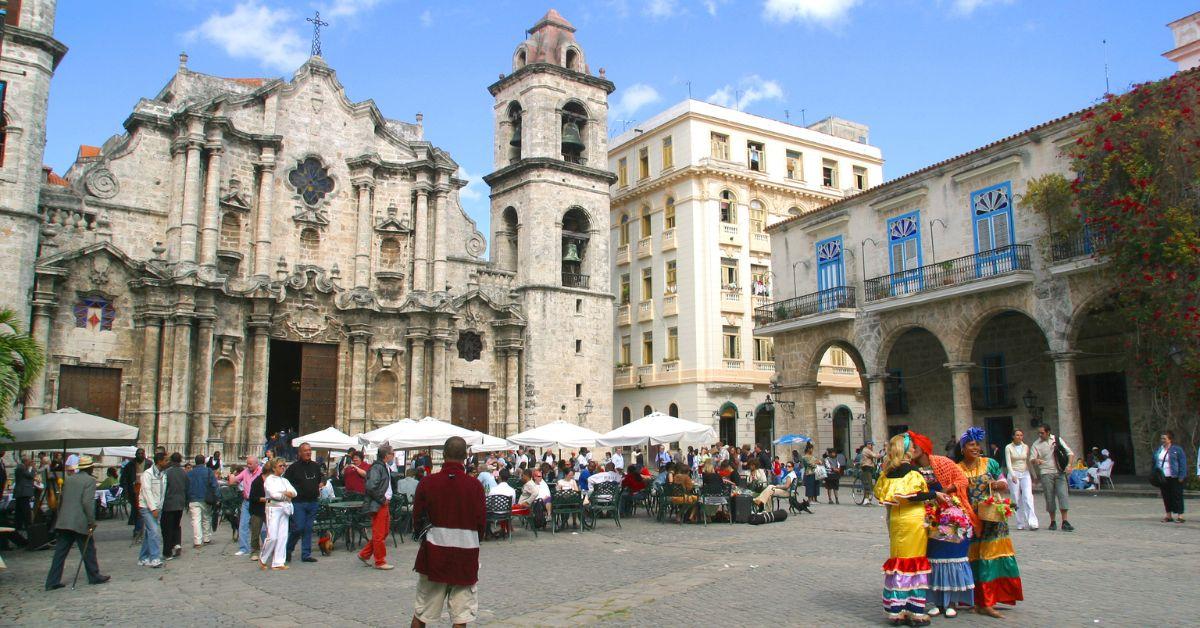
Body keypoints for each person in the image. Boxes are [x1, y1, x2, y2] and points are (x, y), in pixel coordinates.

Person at [411, 436, 486, 628]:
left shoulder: (427, 483)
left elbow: (417, 520)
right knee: (461, 617)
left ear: (443, 455)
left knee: (422, 614)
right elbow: (481, 524)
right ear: (466, 456)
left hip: (433, 556)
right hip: (465, 556)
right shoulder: (475, 486)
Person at [907, 431, 975, 619]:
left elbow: (962, 480)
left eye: (914, 447)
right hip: (930, 516)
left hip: (951, 515)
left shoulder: (942, 462)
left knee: (952, 556)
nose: (911, 450)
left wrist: (947, 490)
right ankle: (937, 601)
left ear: (923, 449)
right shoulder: (912, 469)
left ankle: (952, 601)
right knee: (934, 557)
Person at [957, 427, 1023, 618]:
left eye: (978, 444)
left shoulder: (990, 463)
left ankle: (988, 601)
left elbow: (1003, 482)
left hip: (992, 520)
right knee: (974, 560)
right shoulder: (958, 468)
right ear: (963, 448)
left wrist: (997, 484)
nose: (976, 448)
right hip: (971, 520)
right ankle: (977, 600)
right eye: (971, 445)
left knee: (989, 559)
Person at [874, 434, 932, 626]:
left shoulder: (888, 473)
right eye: (913, 447)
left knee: (899, 562)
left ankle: (897, 609)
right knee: (914, 563)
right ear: (907, 450)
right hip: (913, 519)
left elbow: (885, 497)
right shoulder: (912, 472)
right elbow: (914, 495)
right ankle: (914, 610)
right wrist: (935, 494)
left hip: (896, 520)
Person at [44, 456, 109, 590]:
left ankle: (52, 581)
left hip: (65, 519)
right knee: (88, 549)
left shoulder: (69, 479)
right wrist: (91, 521)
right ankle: (94, 575)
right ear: (90, 468)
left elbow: (61, 498)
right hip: (79, 520)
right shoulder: (90, 480)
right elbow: (87, 503)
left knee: (60, 553)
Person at [283, 443, 325, 563]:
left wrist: (321, 483)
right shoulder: (293, 468)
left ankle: (306, 554)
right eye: (305, 450)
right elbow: (286, 483)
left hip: (312, 502)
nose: (308, 452)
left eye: (309, 450)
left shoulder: (315, 466)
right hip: (298, 503)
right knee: (298, 528)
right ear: (300, 453)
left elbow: (320, 478)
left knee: (308, 529)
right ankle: (288, 549)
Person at [1029, 424, 1075, 531]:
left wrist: (1069, 465)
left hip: (1059, 471)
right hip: (1046, 473)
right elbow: (1031, 459)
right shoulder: (1036, 444)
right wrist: (1036, 460)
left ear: (1048, 432)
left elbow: (1070, 453)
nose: (1040, 435)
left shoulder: (1057, 440)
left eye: (1042, 433)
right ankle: (1052, 521)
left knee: (1063, 495)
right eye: (1039, 433)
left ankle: (1065, 521)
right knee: (1049, 497)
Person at [358, 444, 396, 570]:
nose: (394, 456)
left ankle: (365, 554)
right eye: (393, 454)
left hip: (382, 503)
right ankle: (380, 561)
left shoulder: (383, 467)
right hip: (379, 503)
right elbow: (370, 486)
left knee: (383, 532)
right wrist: (382, 499)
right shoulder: (377, 468)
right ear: (386, 456)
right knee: (379, 534)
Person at [260, 458, 296, 571]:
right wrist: (286, 494)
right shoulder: (269, 480)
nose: (283, 467)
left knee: (283, 536)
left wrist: (287, 494)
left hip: (284, 508)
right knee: (273, 536)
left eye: (284, 465)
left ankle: (278, 562)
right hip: (273, 508)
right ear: (274, 467)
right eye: (280, 466)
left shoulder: (285, 480)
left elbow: (294, 492)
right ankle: (263, 558)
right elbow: (273, 494)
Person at [138, 451, 168, 568]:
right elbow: (147, 491)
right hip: (146, 507)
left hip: (158, 507)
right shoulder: (147, 474)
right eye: (165, 460)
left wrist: (159, 506)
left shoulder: (163, 474)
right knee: (154, 531)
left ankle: (143, 557)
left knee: (149, 532)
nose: (167, 462)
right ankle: (154, 558)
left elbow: (162, 492)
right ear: (159, 461)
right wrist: (153, 508)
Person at [1004, 430, 1038, 531]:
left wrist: (1034, 475)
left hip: (1025, 472)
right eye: (1017, 435)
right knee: (1015, 497)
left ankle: (1032, 522)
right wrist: (1012, 474)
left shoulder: (1026, 447)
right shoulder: (1008, 447)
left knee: (1028, 497)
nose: (1019, 437)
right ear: (1013, 436)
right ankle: (1020, 522)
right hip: (1014, 472)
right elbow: (1008, 462)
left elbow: (1028, 461)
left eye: (1021, 435)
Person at [229, 456, 262, 557]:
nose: (248, 466)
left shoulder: (261, 472)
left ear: (257, 464)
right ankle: (244, 548)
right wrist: (232, 476)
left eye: (250, 464)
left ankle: (266, 548)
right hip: (247, 502)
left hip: (259, 503)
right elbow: (233, 481)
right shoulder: (246, 472)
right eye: (247, 464)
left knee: (263, 527)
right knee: (243, 525)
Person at [1154, 431, 1187, 523]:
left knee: (1177, 495)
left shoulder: (1177, 449)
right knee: (1166, 496)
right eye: (1162, 438)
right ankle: (1168, 515)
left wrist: (1182, 475)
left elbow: (1183, 463)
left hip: (1174, 476)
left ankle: (1180, 515)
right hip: (1163, 476)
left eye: (1165, 438)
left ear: (1170, 439)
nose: (1162, 440)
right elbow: (1156, 461)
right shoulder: (1160, 449)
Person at [186, 455, 219, 548]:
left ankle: (197, 541)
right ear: (204, 462)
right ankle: (207, 538)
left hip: (193, 498)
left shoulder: (189, 473)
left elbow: (187, 487)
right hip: (206, 498)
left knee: (196, 520)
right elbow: (214, 485)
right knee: (206, 518)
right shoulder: (208, 471)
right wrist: (217, 497)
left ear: (195, 462)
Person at [161, 452, 188, 560]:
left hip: (168, 503)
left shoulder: (167, 472)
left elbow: (163, 488)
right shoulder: (184, 473)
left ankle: (167, 552)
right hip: (180, 503)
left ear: (171, 460)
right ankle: (177, 543)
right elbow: (186, 487)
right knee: (177, 525)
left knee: (167, 527)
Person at [118, 449, 145, 535]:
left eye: (141, 453)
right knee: (137, 510)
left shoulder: (149, 464)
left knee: (142, 511)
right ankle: (137, 529)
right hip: (133, 491)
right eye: (138, 454)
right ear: (135, 454)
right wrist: (125, 491)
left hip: (145, 491)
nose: (140, 455)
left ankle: (140, 529)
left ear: (144, 454)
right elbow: (124, 479)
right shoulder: (130, 465)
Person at [12, 455, 36, 544]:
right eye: (29, 461)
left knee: (19, 511)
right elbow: (30, 476)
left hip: (22, 492)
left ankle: (19, 526)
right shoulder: (21, 467)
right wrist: (32, 468)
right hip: (23, 492)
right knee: (25, 511)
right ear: (26, 461)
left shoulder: (22, 467)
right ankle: (27, 527)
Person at [247, 466, 267, 561]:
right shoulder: (257, 482)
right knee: (256, 531)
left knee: (272, 531)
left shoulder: (273, 481)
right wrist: (262, 499)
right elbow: (252, 497)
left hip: (269, 509)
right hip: (257, 509)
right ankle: (254, 551)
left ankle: (270, 549)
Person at [859, 442, 879, 506]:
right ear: (867, 445)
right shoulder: (866, 450)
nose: (872, 446)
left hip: (869, 467)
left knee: (869, 483)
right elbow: (875, 455)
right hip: (866, 467)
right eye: (871, 445)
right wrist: (881, 454)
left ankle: (867, 499)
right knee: (867, 483)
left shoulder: (868, 450)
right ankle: (866, 500)